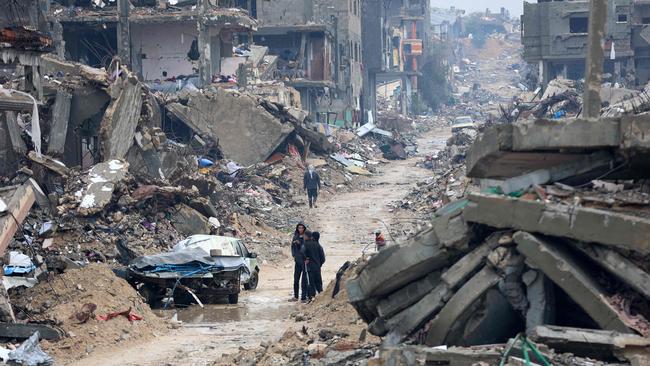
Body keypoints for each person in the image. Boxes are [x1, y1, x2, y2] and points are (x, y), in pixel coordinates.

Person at [301, 231, 326, 301]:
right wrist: (319, 264)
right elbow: (323, 258)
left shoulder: (306, 244)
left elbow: (302, 252)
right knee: (318, 282)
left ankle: (311, 298)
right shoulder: (319, 245)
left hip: (310, 268)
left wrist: (306, 259)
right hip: (317, 268)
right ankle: (322, 297)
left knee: (310, 283)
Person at [290, 222, 308, 302]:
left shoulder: (306, 237)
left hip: (304, 261)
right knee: (296, 279)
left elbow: (305, 248)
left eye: (302, 228)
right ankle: (296, 296)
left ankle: (303, 297)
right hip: (297, 260)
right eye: (299, 228)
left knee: (304, 280)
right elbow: (292, 247)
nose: (300, 229)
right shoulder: (295, 236)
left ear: (304, 228)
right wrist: (294, 255)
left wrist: (299, 244)